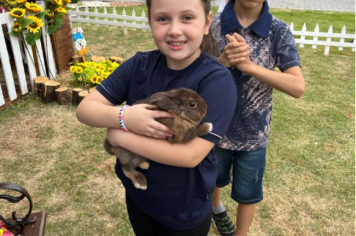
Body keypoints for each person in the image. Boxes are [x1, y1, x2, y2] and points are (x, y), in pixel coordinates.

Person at [76, 0, 239, 235]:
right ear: (150, 22)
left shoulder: (217, 80)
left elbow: (190, 155)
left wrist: (118, 136)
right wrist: (124, 117)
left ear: (207, 23)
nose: (174, 30)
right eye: (163, 18)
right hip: (139, 196)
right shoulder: (139, 65)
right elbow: (85, 110)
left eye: (187, 18)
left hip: (185, 207)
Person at [209, 0, 306, 236]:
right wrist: (223, 61)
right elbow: (195, 72)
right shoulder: (212, 26)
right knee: (212, 180)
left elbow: (297, 86)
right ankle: (215, 208)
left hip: (254, 134)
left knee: (248, 193)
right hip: (214, 129)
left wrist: (248, 66)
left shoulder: (278, 30)